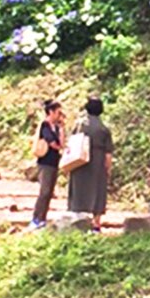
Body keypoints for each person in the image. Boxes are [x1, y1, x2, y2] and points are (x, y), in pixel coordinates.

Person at [67, 97, 114, 233]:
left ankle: (77, 220)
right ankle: (96, 223)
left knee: (78, 187)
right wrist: (108, 168)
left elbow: (71, 143)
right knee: (98, 190)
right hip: (98, 161)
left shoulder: (79, 125)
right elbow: (108, 153)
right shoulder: (104, 129)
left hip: (79, 158)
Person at [30, 100, 64, 229]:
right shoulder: (45, 125)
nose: (60, 115)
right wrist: (58, 146)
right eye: (58, 112)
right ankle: (36, 218)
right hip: (45, 163)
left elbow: (61, 143)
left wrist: (61, 129)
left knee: (49, 192)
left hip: (54, 162)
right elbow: (53, 143)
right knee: (44, 191)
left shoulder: (56, 127)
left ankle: (42, 218)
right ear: (51, 112)